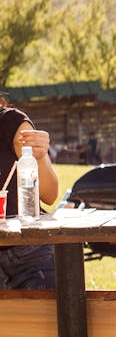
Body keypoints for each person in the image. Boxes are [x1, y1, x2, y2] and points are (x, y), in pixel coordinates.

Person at [0, 100, 60, 289]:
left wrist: (40, 157)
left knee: (56, 317)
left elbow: (50, 195)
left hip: (29, 250)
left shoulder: (11, 123)